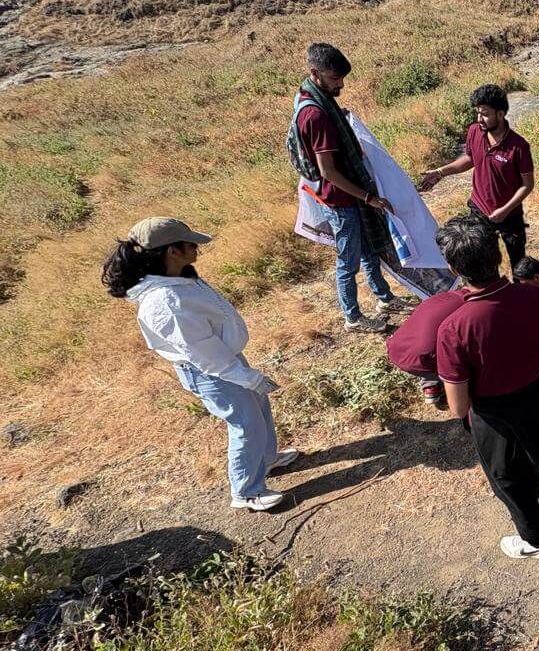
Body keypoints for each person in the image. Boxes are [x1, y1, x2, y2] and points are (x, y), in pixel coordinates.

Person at [102, 218, 298, 512]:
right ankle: (246, 490)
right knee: (245, 423)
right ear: (171, 251)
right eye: (190, 243)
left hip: (224, 360)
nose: (197, 248)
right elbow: (202, 353)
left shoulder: (178, 277)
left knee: (258, 409)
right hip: (211, 371)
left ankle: (266, 459)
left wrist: (245, 375)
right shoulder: (165, 302)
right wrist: (246, 377)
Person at [435, 216, 539, 559]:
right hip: (536, 398)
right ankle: (537, 493)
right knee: (533, 457)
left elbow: (459, 407)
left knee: (506, 481)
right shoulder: (534, 298)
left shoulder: (453, 328)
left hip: (494, 418)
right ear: (497, 256)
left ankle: (537, 540)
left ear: (453, 267)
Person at [294, 42, 412, 334]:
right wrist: (369, 197)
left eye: (342, 78)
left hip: (349, 196)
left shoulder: (313, 96)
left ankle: (384, 298)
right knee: (348, 260)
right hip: (340, 201)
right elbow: (328, 171)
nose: (341, 85)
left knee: (369, 250)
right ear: (315, 73)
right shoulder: (316, 115)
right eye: (335, 79)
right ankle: (353, 317)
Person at [421, 84, 534, 269]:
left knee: (519, 266)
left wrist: (505, 210)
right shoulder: (475, 131)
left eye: (485, 114)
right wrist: (440, 172)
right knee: (482, 262)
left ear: (500, 113)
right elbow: (469, 159)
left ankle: (519, 295)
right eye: (478, 113)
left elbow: (527, 185)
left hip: (509, 215)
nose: (479, 119)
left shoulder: (518, 146)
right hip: (479, 209)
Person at [385, 287, 468, 408]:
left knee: (430, 347)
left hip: (397, 348)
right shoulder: (470, 307)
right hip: (424, 358)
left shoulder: (440, 298)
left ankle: (431, 386)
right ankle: (448, 391)